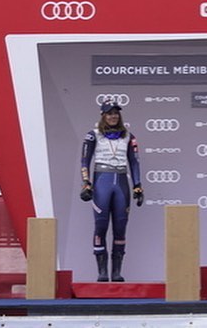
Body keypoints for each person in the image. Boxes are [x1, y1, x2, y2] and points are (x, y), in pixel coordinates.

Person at [80, 101, 144, 282]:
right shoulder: (93, 135)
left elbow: (134, 163)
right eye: (109, 113)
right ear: (103, 116)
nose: (113, 116)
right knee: (101, 226)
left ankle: (116, 272)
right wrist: (86, 183)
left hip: (121, 183)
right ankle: (102, 272)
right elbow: (85, 161)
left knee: (120, 229)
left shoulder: (129, 136)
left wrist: (137, 185)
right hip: (102, 182)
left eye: (116, 113)